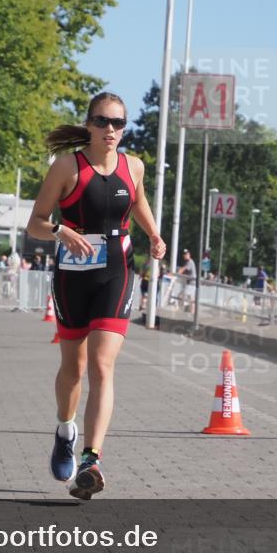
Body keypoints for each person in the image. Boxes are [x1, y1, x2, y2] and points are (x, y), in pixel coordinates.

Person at [27, 91, 165, 500]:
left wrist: (154, 234)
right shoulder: (68, 167)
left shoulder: (133, 166)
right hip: (73, 275)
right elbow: (34, 222)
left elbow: (137, 199)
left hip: (116, 272)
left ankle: (91, 460)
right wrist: (59, 231)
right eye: (103, 122)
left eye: (118, 123)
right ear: (88, 124)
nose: (110, 130)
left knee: (103, 365)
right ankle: (65, 430)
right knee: (74, 367)